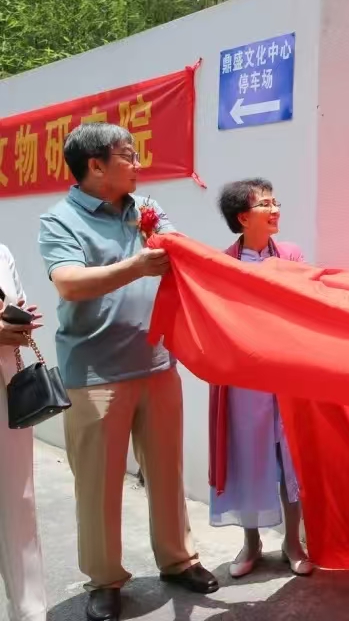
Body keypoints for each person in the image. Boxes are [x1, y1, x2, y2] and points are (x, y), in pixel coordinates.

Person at [38, 123, 218, 621]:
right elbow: (69, 283)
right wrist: (137, 267)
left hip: (156, 362)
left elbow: (179, 250)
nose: (138, 163)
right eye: (128, 155)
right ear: (96, 166)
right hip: (96, 373)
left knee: (166, 469)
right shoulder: (60, 220)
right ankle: (105, 579)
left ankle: (178, 559)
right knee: (99, 483)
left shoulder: (146, 209)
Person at [209, 178, 314, 578]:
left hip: (286, 373)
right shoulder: (223, 263)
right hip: (243, 379)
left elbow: (304, 304)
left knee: (290, 460)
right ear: (242, 217)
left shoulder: (291, 255)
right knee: (248, 457)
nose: (275, 210)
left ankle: (293, 543)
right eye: (265, 204)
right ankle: (251, 543)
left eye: (275, 202)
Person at [0, 245, 48, 621]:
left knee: (19, 500)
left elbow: (15, 302)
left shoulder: (1, 253)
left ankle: (30, 612)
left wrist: (20, 321)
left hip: (7, 387)